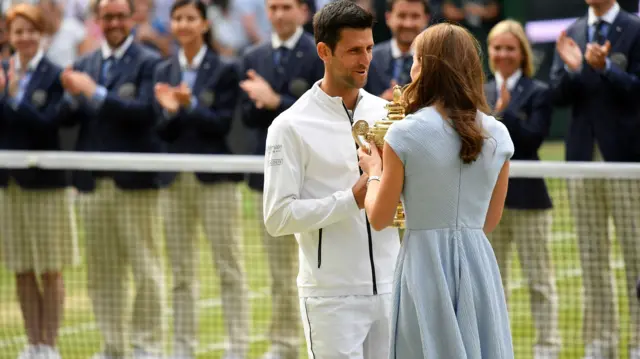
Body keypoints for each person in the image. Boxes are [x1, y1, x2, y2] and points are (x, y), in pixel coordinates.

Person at [356, 22, 514, 358]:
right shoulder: (499, 134)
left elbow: (380, 217)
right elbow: (489, 220)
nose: (411, 68)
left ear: (426, 66)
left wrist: (373, 172)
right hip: (478, 265)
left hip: (423, 266)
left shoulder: (404, 134)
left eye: (415, 59)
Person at [262, 0, 401, 357]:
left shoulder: (387, 113)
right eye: (354, 50)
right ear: (324, 51)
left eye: (369, 48)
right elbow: (277, 218)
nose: (365, 60)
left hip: (392, 286)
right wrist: (349, 200)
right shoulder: (289, 125)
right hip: (331, 298)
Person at [59, 0, 166, 357]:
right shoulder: (86, 63)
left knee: (146, 270)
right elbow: (68, 119)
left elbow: (145, 115)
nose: (115, 22)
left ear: (132, 18)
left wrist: (94, 92)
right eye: (108, 16)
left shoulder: (151, 62)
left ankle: (146, 346)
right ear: (98, 20)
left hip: (134, 185)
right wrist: (72, 97)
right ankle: (113, 346)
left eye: (121, 15)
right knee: (102, 274)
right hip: (93, 185)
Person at [153, 0, 248, 358]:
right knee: (180, 272)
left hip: (216, 180)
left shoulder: (226, 68)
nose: (183, 24)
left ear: (204, 25)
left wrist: (189, 106)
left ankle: (236, 348)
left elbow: (223, 124)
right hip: (174, 180)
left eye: (190, 18)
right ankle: (182, 348)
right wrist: (174, 111)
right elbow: (160, 128)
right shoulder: (162, 69)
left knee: (230, 267)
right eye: (177, 18)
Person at [550, 0, 640, 357]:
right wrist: (575, 70)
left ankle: (637, 342)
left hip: (627, 161)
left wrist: (605, 69)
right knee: (591, 257)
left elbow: (636, 89)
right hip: (581, 160)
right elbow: (557, 95)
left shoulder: (634, 30)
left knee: (636, 257)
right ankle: (600, 343)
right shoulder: (571, 33)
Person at [239, 0, 323, 357]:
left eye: (286, 6)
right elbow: (246, 115)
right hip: (272, 179)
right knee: (278, 272)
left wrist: (275, 101)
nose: (277, 14)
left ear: (304, 12)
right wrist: (266, 105)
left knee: (320, 269)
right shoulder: (253, 56)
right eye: (272, 7)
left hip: (315, 179)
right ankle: (285, 344)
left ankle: (318, 342)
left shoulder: (319, 53)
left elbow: (321, 113)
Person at [0, 4, 79, 359]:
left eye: (31, 30)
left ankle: (50, 345)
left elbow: (49, 124)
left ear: (41, 34)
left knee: (50, 267)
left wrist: (13, 97)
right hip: (9, 187)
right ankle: (32, 345)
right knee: (21, 268)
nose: (25, 37)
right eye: (18, 31)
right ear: (9, 36)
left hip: (46, 186)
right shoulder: (1, 73)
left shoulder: (56, 75)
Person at [485, 19, 560, 359]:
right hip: (487, 203)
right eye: (497, 48)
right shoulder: (478, 91)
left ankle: (547, 348)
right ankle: (494, 347)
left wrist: (505, 111)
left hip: (529, 200)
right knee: (491, 284)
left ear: (522, 53)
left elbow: (531, 139)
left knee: (539, 282)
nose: (503, 54)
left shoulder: (539, 92)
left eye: (510, 48)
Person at [365, 0, 430, 99]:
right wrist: (380, 102)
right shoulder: (369, 58)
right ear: (388, 18)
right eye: (401, 16)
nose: (408, 24)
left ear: (426, 19)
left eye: (415, 16)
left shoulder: (435, 61)